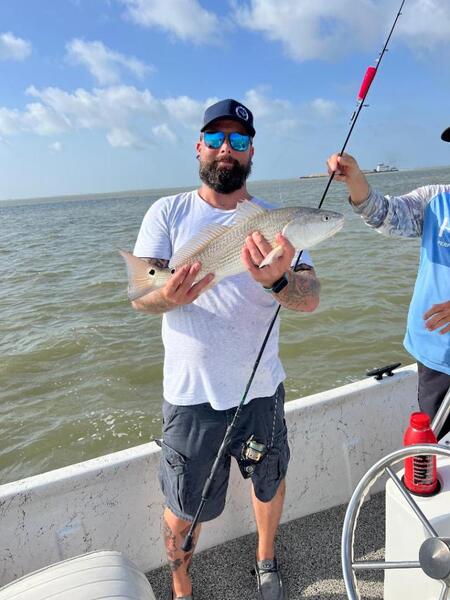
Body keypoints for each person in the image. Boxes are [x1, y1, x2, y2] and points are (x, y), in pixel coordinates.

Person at [131, 99, 321, 600]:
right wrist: (166, 297)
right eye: (215, 139)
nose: (225, 150)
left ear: (251, 151)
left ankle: (265, 558)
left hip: (262, 390)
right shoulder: (167, 213)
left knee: (269, 480)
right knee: (184, 503)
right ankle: (180, 582)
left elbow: (311, 298)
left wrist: (278, 283)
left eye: (238, 141)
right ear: (199, 147)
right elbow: (141, 298)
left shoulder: (276, 223)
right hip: (192, 397)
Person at [327, 130, 450, 439]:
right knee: (438, 455)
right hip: (437, 354)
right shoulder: (434, 199)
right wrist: (355, 178)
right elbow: (384, 214)